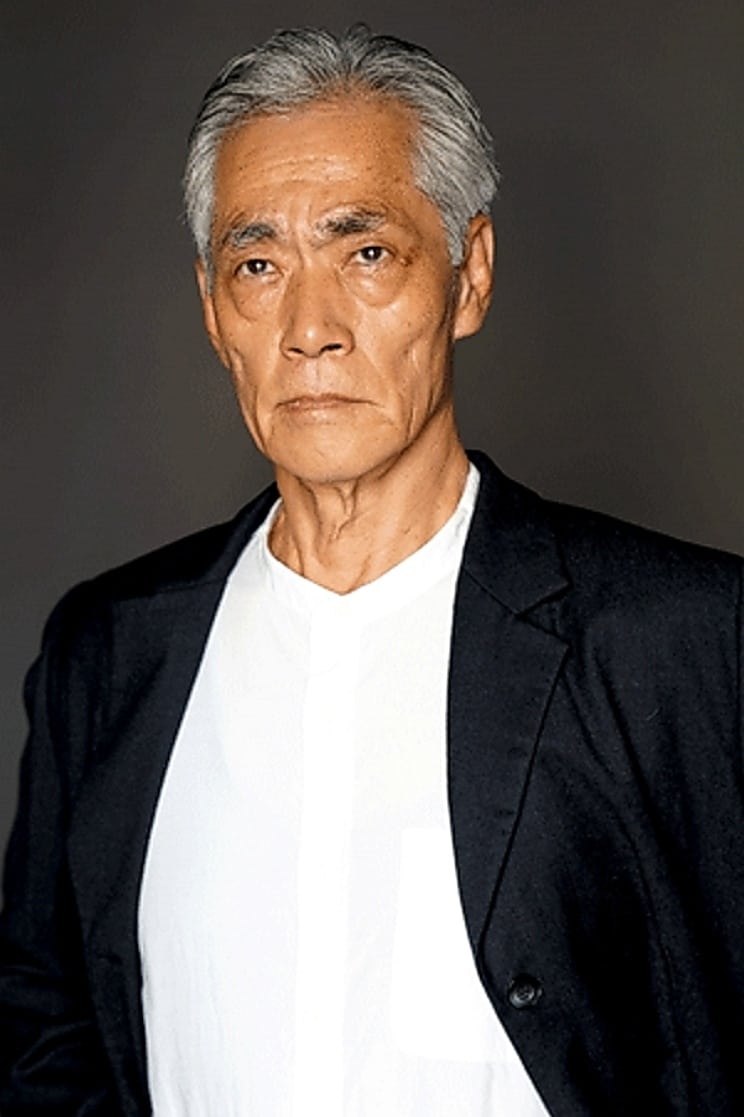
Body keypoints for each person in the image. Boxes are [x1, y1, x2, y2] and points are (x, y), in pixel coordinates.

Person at [1, 23, 743, 1117]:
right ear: (213, 310)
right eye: (259, 265)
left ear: (469, 276)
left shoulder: (680, 642)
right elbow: (43, 1028)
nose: (312, 328)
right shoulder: (109, 655)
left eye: (366, 254)